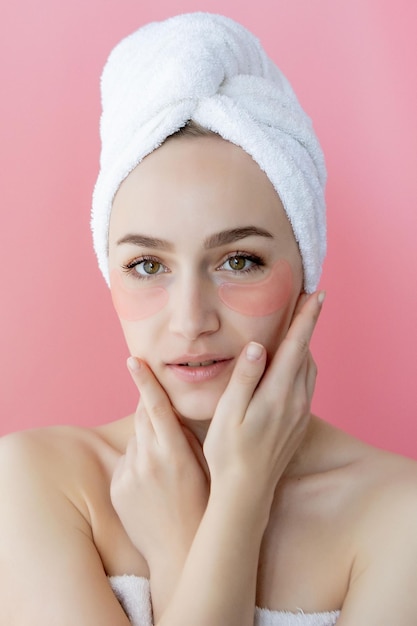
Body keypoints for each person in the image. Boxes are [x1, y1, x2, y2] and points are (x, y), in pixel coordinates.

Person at [1, 12, 417, 626]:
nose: (191, 319)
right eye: (147, 265)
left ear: (304, 267)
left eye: (239, 260)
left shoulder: (400, 517)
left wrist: (225, 510)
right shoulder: (36, 484)